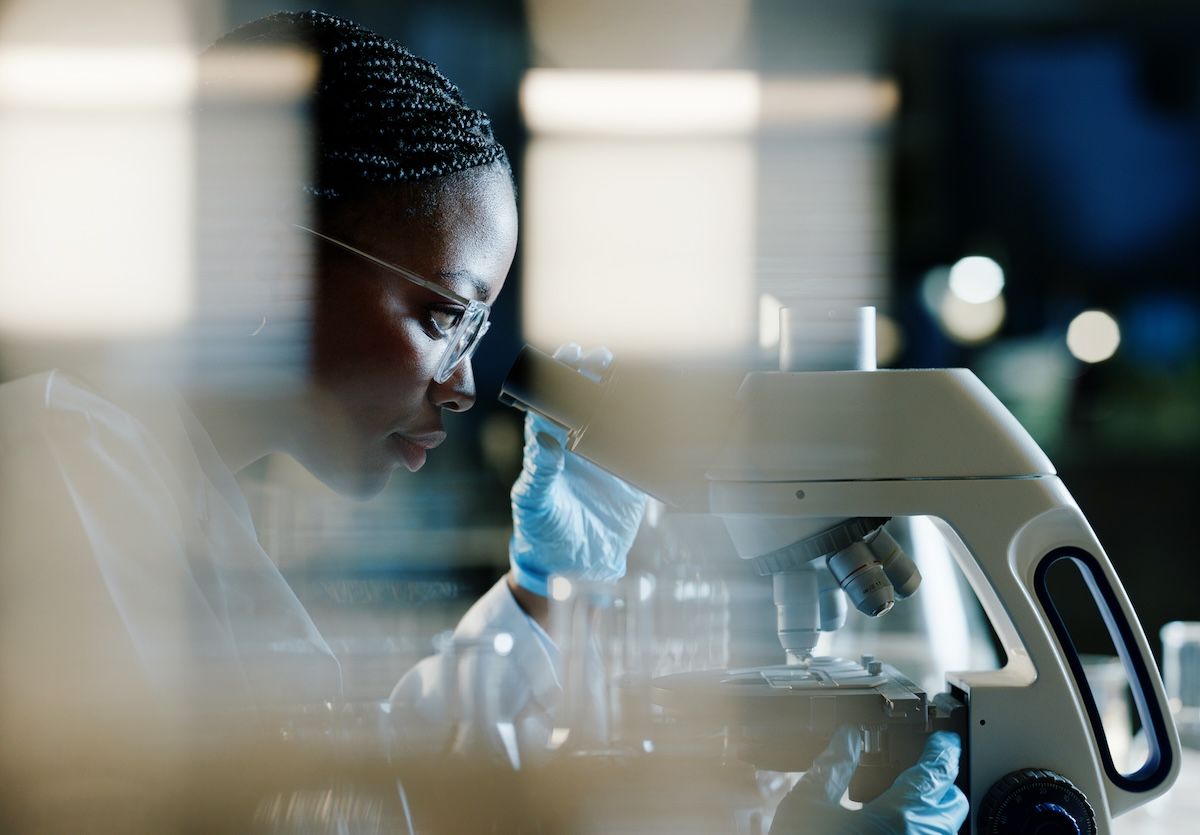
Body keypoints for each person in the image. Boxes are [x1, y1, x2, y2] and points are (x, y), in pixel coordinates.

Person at [0, 9, 966, 832]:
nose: (463, 385)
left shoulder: (167, 483)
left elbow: (346, 783)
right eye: (442, 316)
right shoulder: (55, 473)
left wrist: (548, 587)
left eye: (479, 328)